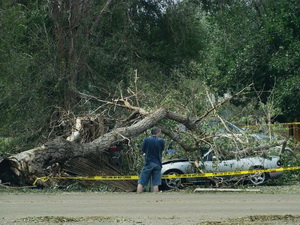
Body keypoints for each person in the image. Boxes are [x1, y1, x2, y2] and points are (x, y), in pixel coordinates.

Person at [137, 127, 165, 193]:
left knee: (141, 181)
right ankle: (155, 199)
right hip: (158, 163)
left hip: (149, 162)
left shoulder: (146, 140)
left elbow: (143, 150)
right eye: (160, 132)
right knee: (156, 183)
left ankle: (138, 196)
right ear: (158, 132)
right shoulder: (161, 140)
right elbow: (162, 149)